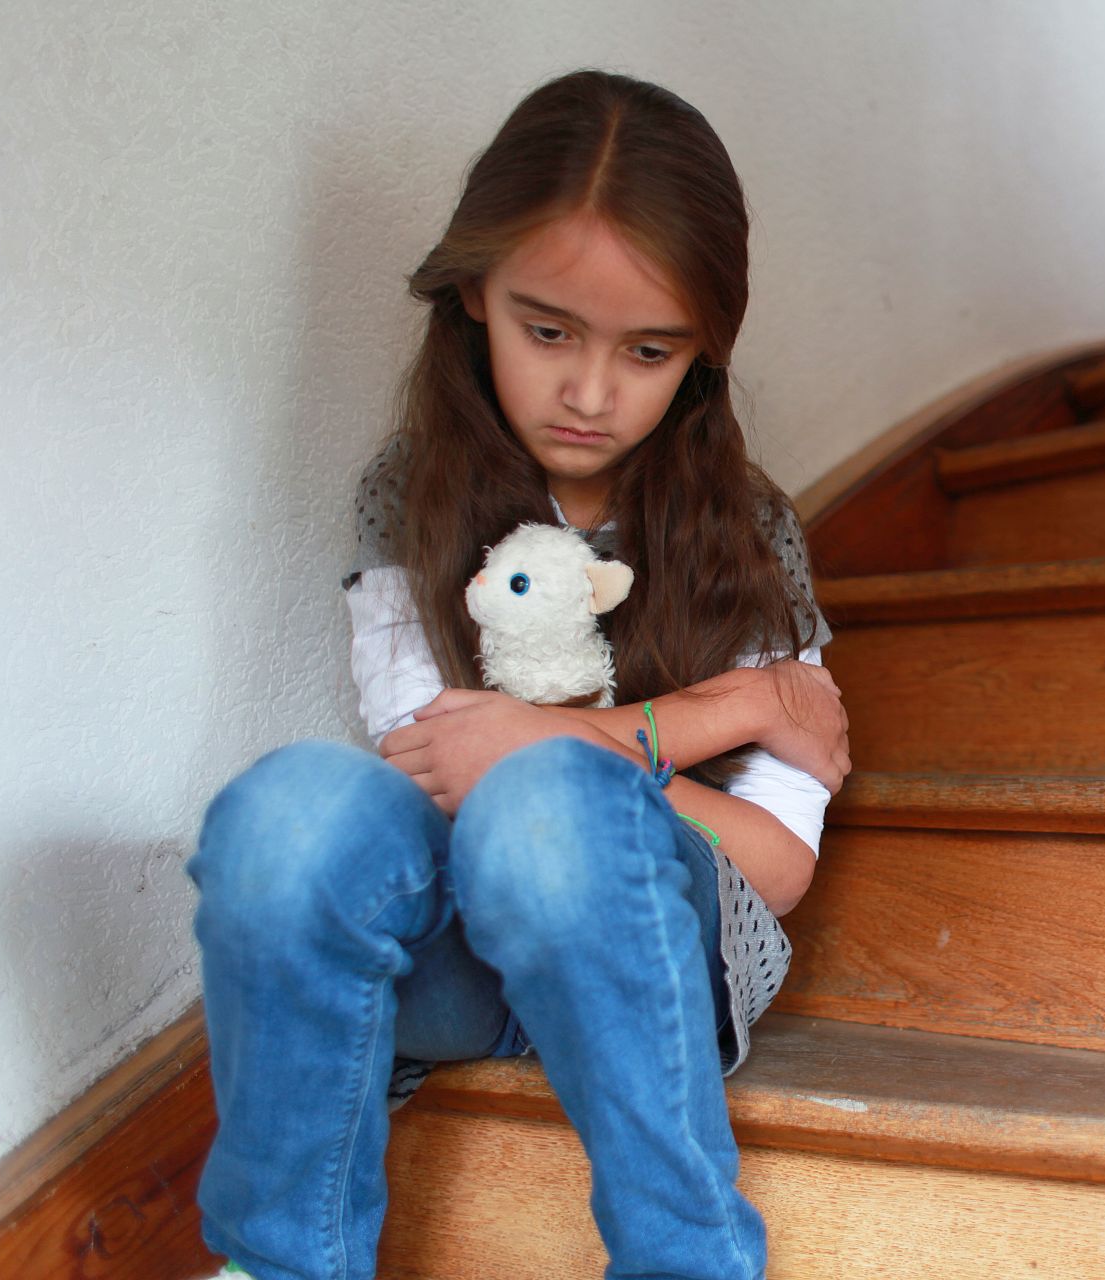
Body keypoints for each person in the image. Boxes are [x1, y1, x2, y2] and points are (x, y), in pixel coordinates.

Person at [184, 68, 850, 1280]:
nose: (591, 393)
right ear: (474, 294)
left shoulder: (752, 533)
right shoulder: (409, 493)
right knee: (286, 814)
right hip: (458, 959)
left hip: (655, 951)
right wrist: (731, 712)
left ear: (704, 354)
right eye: (548, 331)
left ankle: (684, 1257)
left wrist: (554, 753)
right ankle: (282, 1262)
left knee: (546, 816)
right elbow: (438, 767)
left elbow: (779, 863)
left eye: (649, 351)